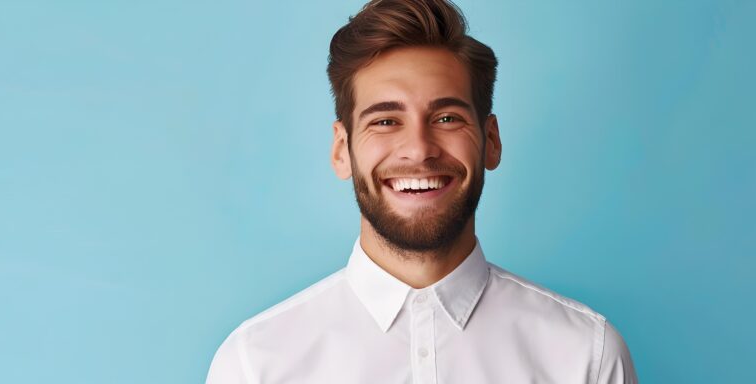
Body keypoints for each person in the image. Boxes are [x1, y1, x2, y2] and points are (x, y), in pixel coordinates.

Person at [206, 0, 637, 382]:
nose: (419, 150)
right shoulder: (254, 366)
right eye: (385, 121)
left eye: (447, 118)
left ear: (491, 140)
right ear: (342, 150)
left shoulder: (587, 357)